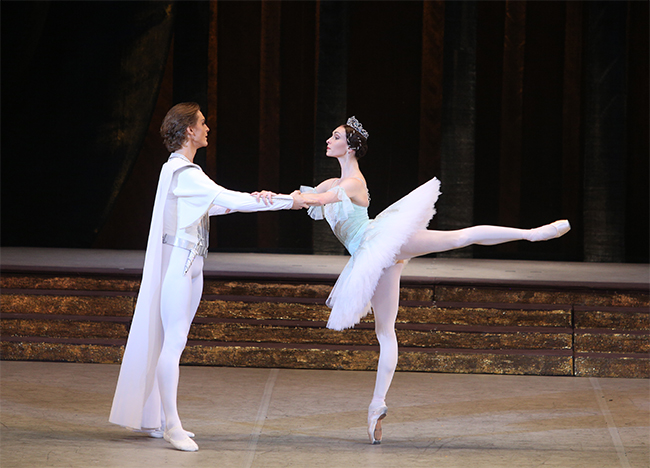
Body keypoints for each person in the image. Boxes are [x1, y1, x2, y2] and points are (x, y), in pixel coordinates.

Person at [293, 116, 570, 444]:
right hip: (371, 258)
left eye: (335, 136)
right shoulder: (330, 181)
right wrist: (262, 199)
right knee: (385, 332)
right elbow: (301, 197)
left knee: (457, 238)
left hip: (379, 241)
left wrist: (298, 198)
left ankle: (531, 234)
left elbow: (322, 200)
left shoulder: (352, 182)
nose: (328, 139)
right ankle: (376, 408)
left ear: (349, 147)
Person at [109, 102, 306, 452]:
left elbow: (217, 204)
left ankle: (156, 418)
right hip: (179, 267)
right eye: (202, 123)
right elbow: (229, 198)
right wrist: (285, 201)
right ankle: (171, 425)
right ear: (188, 130)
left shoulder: (184, 174)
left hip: (192, 265)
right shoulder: (184, 173)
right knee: (173, 343)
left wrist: (253, 199)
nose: (207, 128)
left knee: (174, 342)